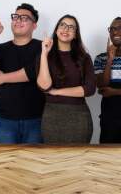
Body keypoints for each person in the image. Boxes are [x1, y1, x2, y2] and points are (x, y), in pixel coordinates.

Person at [0, 3, 45, 144]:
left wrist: (3, 78)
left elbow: (33, 72)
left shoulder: (42, 47)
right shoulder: (0, 48)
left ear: (34, 25)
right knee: (7, 163)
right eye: (16, 17)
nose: (18, 20)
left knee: (33, 163)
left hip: (36, 118)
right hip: (5, 118)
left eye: (24, 18)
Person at [37, 14, 96, 144]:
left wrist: (57, 91)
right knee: (52, 160)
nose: (66, 29)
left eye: (71, 27)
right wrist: (44, 53)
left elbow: (90, 89)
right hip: (51, 117)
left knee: (77, 161)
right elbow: (45, 86)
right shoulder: (44, 56)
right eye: (62, 25)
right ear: (57, 29)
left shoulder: (84, 58)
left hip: (79, 118)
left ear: (75, 34)